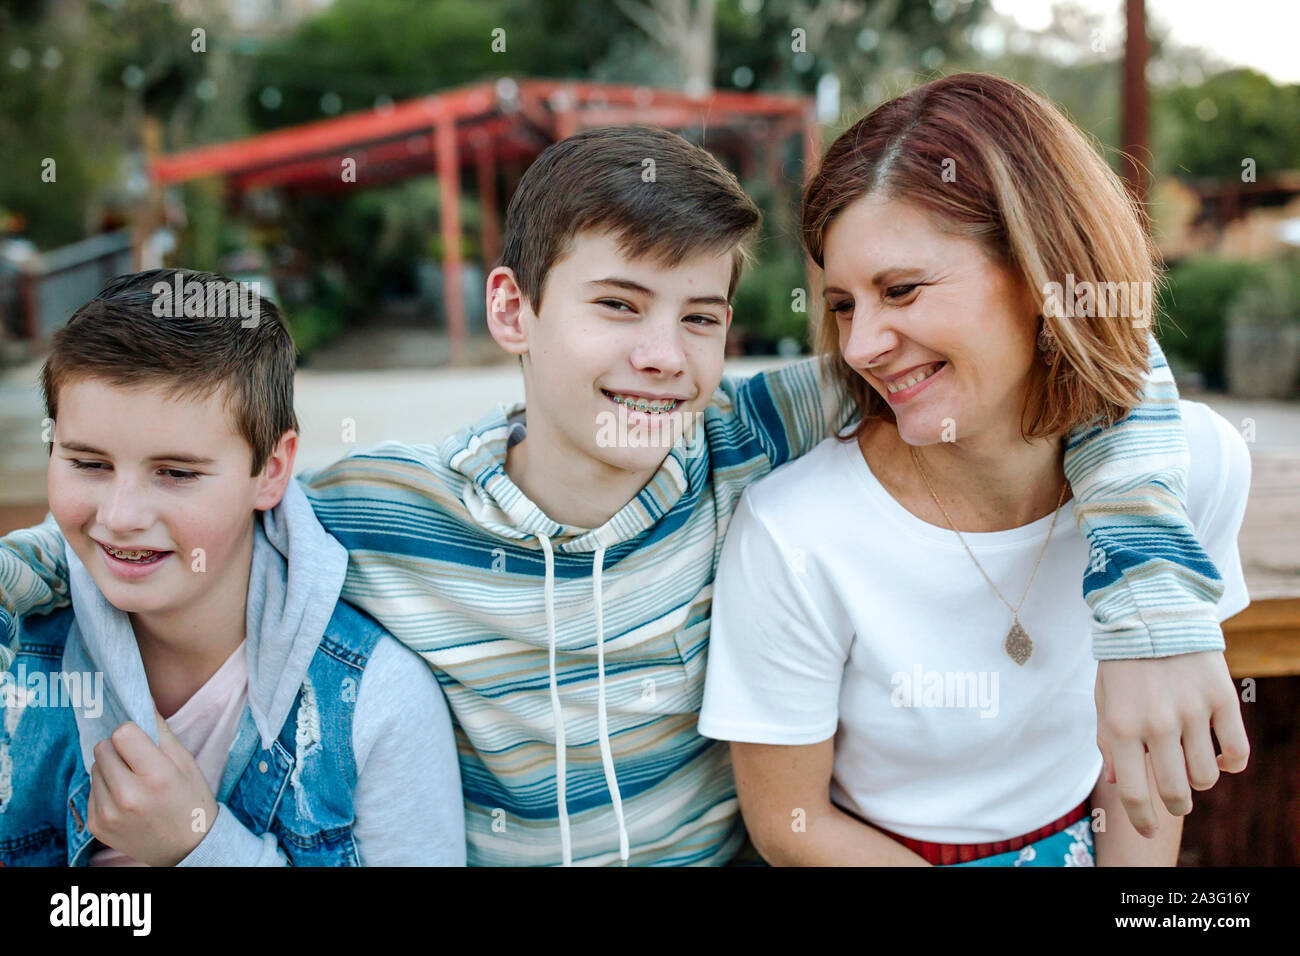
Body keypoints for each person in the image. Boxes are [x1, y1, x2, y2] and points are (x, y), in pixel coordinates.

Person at [1, 126, 1243, 866]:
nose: (663, 353)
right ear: (512, 311)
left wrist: (1153, 608)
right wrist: (37, 563)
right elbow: (170, 507)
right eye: (616, 305)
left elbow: (1090, 365)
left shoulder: (742, 438)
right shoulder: (377, 505)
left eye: (699, 316)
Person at [696, 73, 1251, 866]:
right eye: (845, 303)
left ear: (1042, 271)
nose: (858, 347)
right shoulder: (796, 529)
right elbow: (792, 827)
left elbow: (1145, 790)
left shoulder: (1194, 468)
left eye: (903, 290)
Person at [0, 270, 465, 866]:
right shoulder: (16, 665)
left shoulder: (375, 701)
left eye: (176, 473)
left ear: (271, 471)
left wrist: (201, 847)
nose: (119, 517)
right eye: (88, 463)